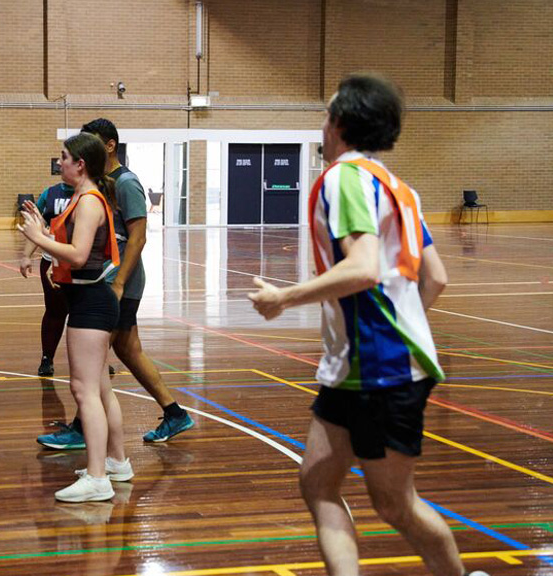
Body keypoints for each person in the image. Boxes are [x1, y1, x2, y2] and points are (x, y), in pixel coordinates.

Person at [248, 74, 488, 576]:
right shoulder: (398, 188)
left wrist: (282, 299)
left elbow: (362, 268)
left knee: (395, 504)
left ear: (338, 121)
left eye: (325, 112)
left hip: (378, 371)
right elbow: (436, 279)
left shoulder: (344, 179)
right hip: (360, 367)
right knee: (317, 483)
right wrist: (404, 332)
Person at [37, 118, 194, 449]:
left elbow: (138, 238)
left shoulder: (125, 183)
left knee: (91, 361)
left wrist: (120, 282)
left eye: (91, 143)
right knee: (126, 348)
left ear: (108, 146)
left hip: (120, 282)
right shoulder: (103, 184)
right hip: (108, 281)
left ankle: (86, 431)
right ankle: (174, 413)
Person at [19, 132, 133, 502]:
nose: (60, 162)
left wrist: (38, 237)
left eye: (64, 157)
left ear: (80, 164)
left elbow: (79, 255)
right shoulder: (83, 199)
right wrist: (45, 234)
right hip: (90, 299)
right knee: (100, 388)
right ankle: (116, 462)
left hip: (91, 304)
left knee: (83, 390)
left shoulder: (88, 202)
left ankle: (98, 478)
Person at [20, 182, 74, 377]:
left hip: (81, 264)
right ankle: (47, 358)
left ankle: (97, 359)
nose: (61, 164)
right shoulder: (50, 193)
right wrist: (26, 255)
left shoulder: (92, 191)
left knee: (86, 312)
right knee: (55, 311)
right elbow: (38, 228)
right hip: (52, 262)